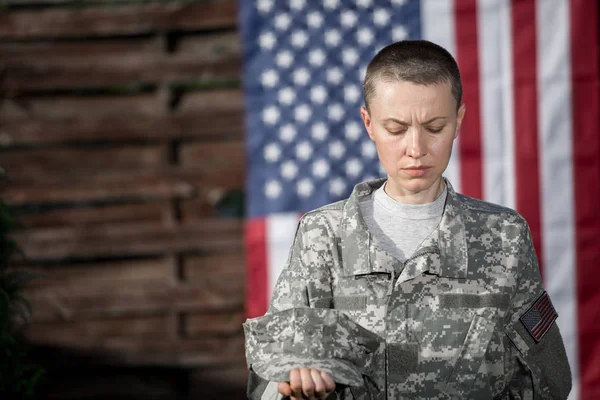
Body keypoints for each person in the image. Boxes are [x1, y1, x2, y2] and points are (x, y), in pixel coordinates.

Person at [245, 40, 572, 399]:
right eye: (396, 129)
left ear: (458, 120)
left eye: (434, 127)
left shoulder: (503, 237)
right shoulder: (322, 237)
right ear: (368, 123)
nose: (415, 148)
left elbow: (546, 381)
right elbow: (268, 379)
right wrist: (294, 387)